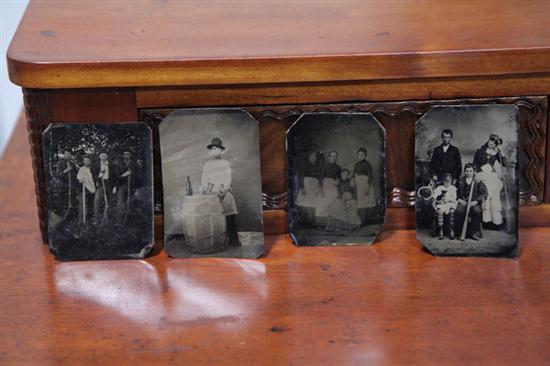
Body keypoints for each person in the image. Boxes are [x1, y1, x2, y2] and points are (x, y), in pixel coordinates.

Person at [201, 138, 240, 246]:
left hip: (223, 190)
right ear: (211, 150)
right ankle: (213, 241)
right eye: (213, 149)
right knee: (209, 215)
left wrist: (223, 190)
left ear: (221, 151)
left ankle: (233, 240)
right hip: (211, 191)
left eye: (217, 149)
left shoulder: (225, 163)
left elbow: (228, 178)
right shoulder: (207, 164)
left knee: (229, 212)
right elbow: (204, 179)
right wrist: (207, 190)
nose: (215, 151)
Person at [473, 134, 504, 227]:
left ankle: (495, 221)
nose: (492, 144)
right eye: (491, 141)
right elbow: (474, 164)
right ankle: (486, 220)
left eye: (494, 143)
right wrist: (475, 173)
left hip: (491, 176)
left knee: (494, 192)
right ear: (488, 141)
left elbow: (505, 164)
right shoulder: (479, 152)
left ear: (496, 145)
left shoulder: (496, 154)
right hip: (481, 174)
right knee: (488, 189)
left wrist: (501, 153)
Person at [455, 163, 488, 241]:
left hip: (473, 202)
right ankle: (460, 232)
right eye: (466, 171)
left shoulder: (477, 181)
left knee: (476, 211)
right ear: (464, 171)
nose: (468, 173)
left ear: (474, 172)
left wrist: (476, 201)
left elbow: (484, 193)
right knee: (459, 211)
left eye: (470, 171)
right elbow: (455, 192)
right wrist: (459, 199)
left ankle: (473, 232)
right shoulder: (460, 180)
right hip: (463, 202)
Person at [315, 151, 341, 227]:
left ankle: (330, 225)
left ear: (337, 158)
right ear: (329, 157)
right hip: (325, 185)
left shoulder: (338, 167)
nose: (334, 158)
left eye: (335, 156)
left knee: (332, 204)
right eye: (332, 156)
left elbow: (339, 177)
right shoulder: (325, 166)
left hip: (333, 186)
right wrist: (321, 189)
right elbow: (321, 178)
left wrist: (338, 180)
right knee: (322, 204)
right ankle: (320, 224)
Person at [295, 151, 321, 225]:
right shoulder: (305, 165)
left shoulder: (317, 166)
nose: (313, 158)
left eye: (315, 156)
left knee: (312, 202)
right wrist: (302, 187)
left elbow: (319, 176)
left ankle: (311, 221)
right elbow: (300, 176)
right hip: (307, 184)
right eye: (311, 156)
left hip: (314, 185)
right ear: (309, 157)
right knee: (305, 202)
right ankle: (303, 221)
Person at [352, 147, 375, 225]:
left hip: (366, 184)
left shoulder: (367, 164)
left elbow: (370, 176)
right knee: (360, 203)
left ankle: (367, 221)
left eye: (363, 154)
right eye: (359, 154)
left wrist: (368, 187)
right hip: (359, 185)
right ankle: (362, 221)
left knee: (367, 202)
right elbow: (353, 175)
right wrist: (352, 180)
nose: (361, 156)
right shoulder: (356, 164)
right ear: (357, 155)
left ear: (365, 156)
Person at [432, 173, 458, 239]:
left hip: (450, 203)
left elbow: (454, 198)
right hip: (442, 204)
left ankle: (451, 230)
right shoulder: (440, 188)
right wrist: (437, 199)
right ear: (443, 181)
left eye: (448, 182)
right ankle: (441, 230)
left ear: (451, 181)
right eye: (445, 182)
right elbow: (435, 196)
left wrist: (448, 199)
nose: (447, 183)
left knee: (452, 211)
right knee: (440, 211)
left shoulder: (453, 188)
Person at [113, 150, 136, 224]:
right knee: (120, 204)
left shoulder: (133, 165)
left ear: (130, 155)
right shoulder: (119, 165)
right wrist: (125, 174)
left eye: (128, 154)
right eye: (125, 154)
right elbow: (117, 176)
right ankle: (118, 222)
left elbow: (137, 176)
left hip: (131, 187)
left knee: (130, 203)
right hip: (122, 186)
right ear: (123, 155)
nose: (126, 155)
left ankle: (129, 222)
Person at [55, 150, 78, 221]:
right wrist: (67, 170)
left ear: (71, 155)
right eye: (66, 154)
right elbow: (58, 175)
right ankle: (59, 220)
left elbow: (75, 176)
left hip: (71, 187)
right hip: (63, 187)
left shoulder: (73, 164)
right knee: (61, 204)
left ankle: (70, 221)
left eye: (69, 154)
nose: (67, 155)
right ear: (64, 155)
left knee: (72, 204)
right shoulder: (60, 163)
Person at [93, 152, 112, 225]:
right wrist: (98, 176)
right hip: (101, 184)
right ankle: (96, 220)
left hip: (109, 185)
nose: (103, 157)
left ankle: (107, 219)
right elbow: (93, 176)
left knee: (109, 202)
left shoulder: (110, 165)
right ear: (99, 157)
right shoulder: (96, 165)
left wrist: (115, 187)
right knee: (97, 200)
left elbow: (114, 176)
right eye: (102, 156)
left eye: (104, 156)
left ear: (107, 157)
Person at [77, 155, 96, 224]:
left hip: (92, 189)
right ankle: (81, 222)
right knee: (82, 205)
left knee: (91, 205)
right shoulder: (81, 169)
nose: (86, 162)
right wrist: (81, 180)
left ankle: (89, 221)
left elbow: (94, 179)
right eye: (85, 160)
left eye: (88, 160)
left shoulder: (93, 169)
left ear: (90, 161)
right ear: (83, 161)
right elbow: (78, 179)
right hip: (82, 189)